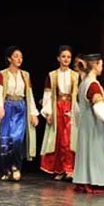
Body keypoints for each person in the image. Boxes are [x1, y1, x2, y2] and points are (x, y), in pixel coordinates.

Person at [72, 53, 104, 193]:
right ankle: (99, 181)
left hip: (86, 125)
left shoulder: (83, 84)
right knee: (98, 151)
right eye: (101, 64)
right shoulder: (92, 85)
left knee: (88, 150)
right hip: (95, 126)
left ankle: (86, 179)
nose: (102, 67)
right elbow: (99, 106)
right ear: (95, 65)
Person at [0, 46, 39, 181]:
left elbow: (29, 94)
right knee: (5, 140)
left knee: (17, 139)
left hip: (20, 108)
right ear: (9, 59)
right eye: (16, 56)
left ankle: (16, 167)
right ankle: (6, 169)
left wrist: (33, 113)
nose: (19, 59)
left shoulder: (25, 75)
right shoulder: (3, 74)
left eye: (21, 56)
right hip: (7, 107)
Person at [40, 45, 79, 180]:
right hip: (57, 108)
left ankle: (70, 169)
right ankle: (59, 169)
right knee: (58, 139)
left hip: (71, 108)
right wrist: (48, 112)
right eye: (63, 56)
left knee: (69, 139)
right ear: (58, 58)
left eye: (68, 57)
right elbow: (47, 95)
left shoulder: (75, 75)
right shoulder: (52, 75)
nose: (66, 59)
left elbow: (77, 95)